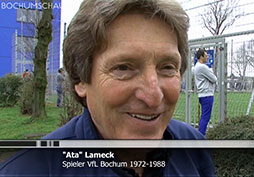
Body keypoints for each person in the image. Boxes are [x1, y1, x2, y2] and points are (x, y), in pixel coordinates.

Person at [0, 0, 216, 177]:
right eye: (123, 68)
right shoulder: (29, 170)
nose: (153, 96)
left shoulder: (193, 148)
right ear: (81, 80)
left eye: (167, 67)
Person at [194, 49, 217, 136]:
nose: (207, 57)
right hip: (207, 95)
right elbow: (214, 79)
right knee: (205, 117)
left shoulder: (197, 67)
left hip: (203, 95)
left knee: (204, 116)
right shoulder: (202, 67)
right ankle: (201, 136)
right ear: (201, 57)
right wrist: (211, 71)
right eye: (206, 55)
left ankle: (200, 135)